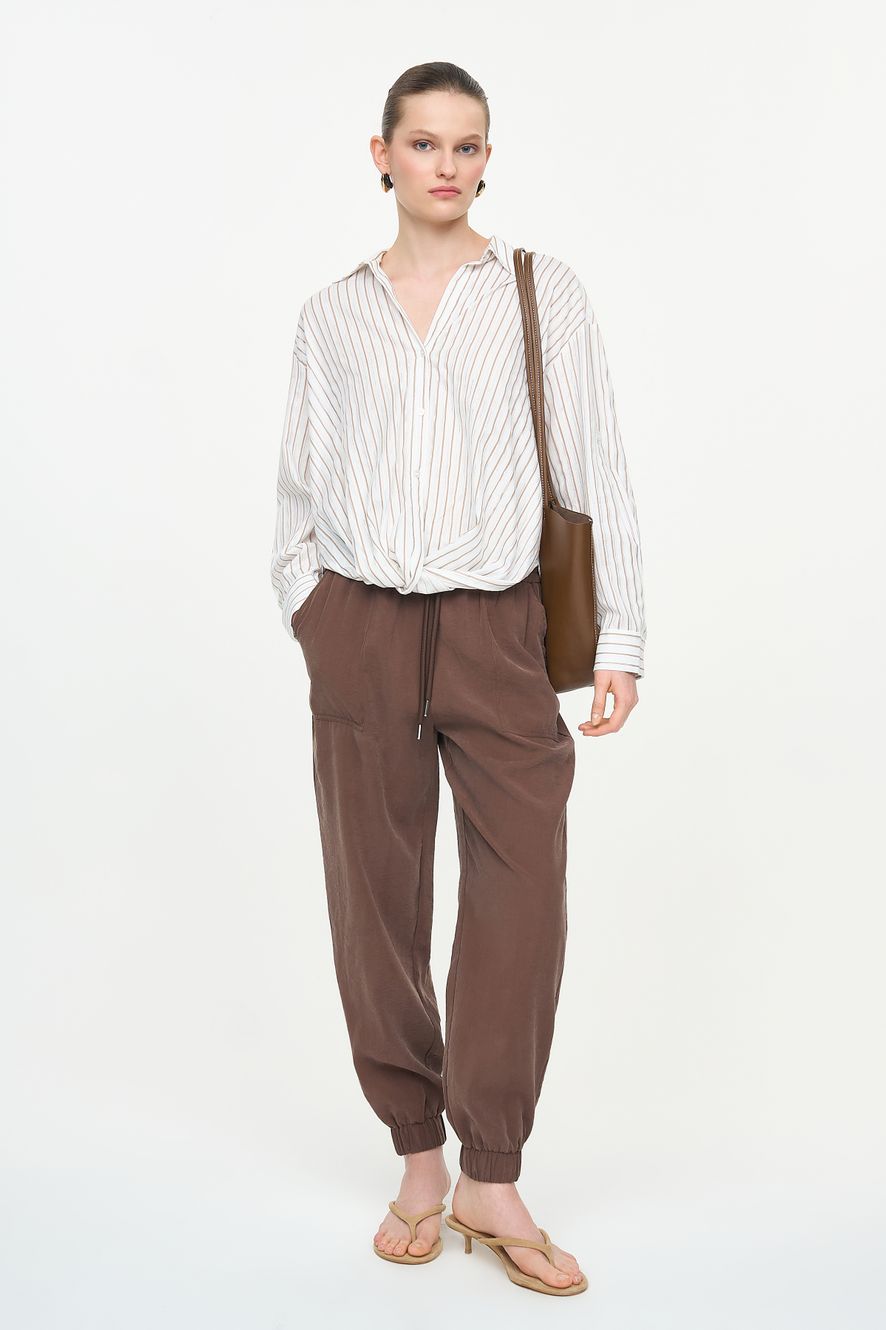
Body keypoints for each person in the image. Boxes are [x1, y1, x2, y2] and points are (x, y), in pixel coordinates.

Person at [270, 61, 645, 1297]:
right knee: (374, 901)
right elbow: (299, 483)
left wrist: (620, 637)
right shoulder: (333, 315)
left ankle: (492, 1171)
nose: (446, 164)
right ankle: (419, 1156)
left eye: (467, 144)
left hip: (500, 630)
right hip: (363, 630)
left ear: (488, 160)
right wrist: (313, 609)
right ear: (380, 154)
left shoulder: (539, 290)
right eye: (423, 142)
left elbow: (593, 465)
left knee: (520, 892)